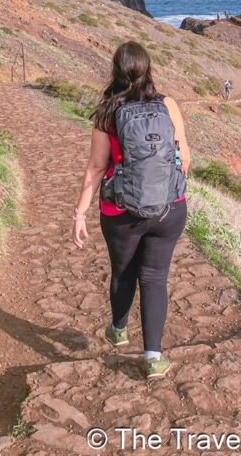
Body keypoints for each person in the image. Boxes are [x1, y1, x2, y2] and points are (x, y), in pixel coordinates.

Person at [72, 41, 190, 380]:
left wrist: (80, 214)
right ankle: (153, 357)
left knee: (123, 273)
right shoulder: (168, 105)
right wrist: (165, 190)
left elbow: (96, 168)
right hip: (169, 210)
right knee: (154, 278)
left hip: (120, 212)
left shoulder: (107, 111)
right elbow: (184, 159)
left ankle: (119, 329)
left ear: (116, 71)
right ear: (148, 69)